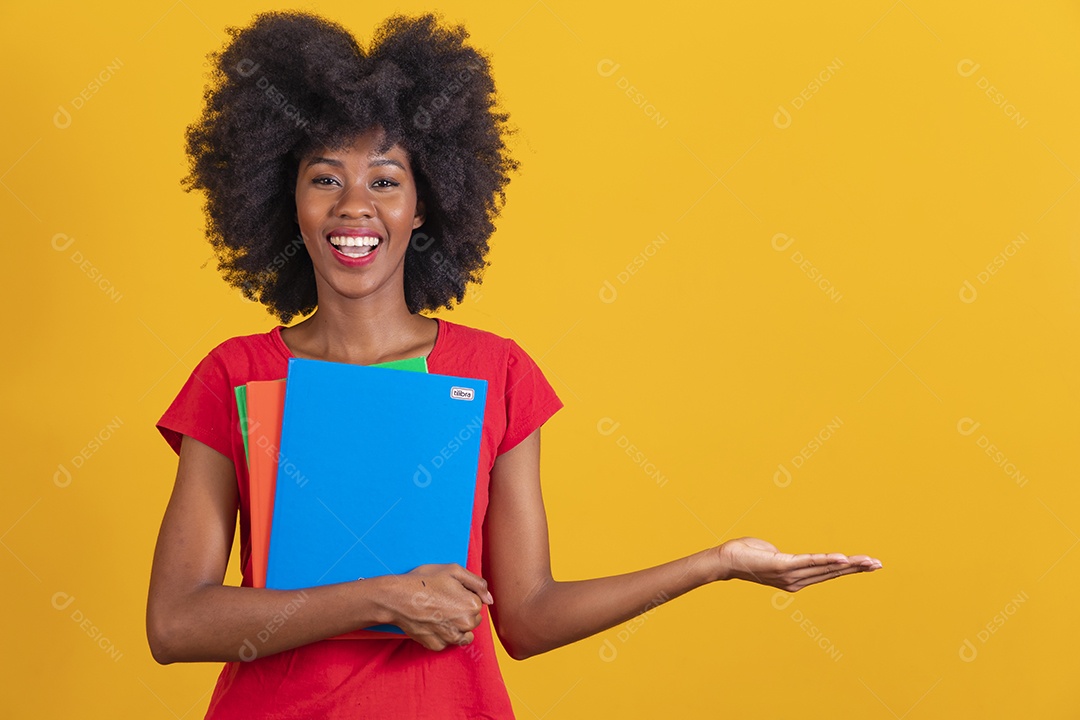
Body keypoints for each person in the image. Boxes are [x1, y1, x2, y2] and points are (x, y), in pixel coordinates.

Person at [146, 10, 883, 719]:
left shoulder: (494, 373)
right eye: (325, 178)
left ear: (425, 204)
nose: (354, 206)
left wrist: (715, 563)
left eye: (385, 180)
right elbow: (176, 623)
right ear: (289, 199)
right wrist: (382, 598)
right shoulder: (235, 376)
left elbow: (527, 618)